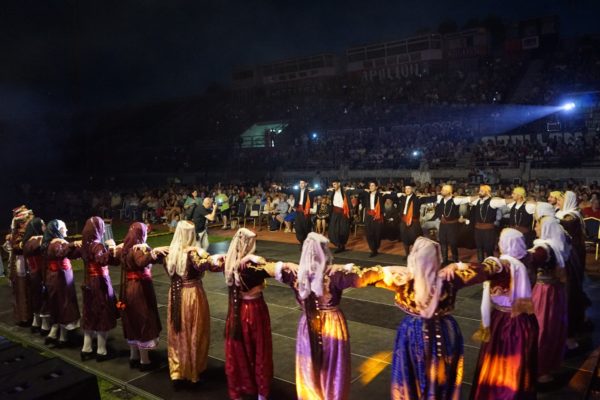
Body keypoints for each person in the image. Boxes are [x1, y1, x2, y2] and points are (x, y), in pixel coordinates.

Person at [375, 237, 504, 400]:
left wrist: (386, 270)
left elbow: (366, 276)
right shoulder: (450, 277)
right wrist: (458, 265)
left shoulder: (400, 279)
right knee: (443, 370)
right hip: (444, 332)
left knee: (410, 371)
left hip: (411, 333)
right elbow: (488, 269)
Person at [275, 233, 382, 400]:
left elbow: (270, 268)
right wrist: (346, 267)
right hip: (332, 325)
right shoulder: (335, 275)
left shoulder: (295, 274)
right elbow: (366, 277)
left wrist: (287, 264)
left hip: (308, 324)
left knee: (309, 366)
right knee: (333, 368)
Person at [468, 229, 538, 400]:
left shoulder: (502, 265)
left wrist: (459, 268)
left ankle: (499, 392)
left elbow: (486, 270)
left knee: (499, 357)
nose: (499, 243)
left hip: (503, 320)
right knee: (517, 361)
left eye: (501, 240)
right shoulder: (524, 263)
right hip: (523, 319)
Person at [224, 228, 283, 400]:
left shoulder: (229, 263)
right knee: (260, 349)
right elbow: (276, 269)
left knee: (239, 349)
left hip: (236, 311)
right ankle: (261, 392)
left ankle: (240, 388)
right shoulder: (252, 266)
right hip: (254, 310)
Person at [165, 220, 223, 388]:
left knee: (177, 331)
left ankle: (177, 371)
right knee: (195, 331)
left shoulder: (170, 253)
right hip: (192, 295)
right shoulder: (193, 254)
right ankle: (193, 372)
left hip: (175, 294)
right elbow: (207, 265)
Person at [529, 203, 569, 383]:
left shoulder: (543, 249)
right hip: (554, 291)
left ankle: (539, 368)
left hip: (544, 293)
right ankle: (548, 365)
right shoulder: (556, 245)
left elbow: (525, 260)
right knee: (551, 327)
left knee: (541, 327)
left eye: (538, 224)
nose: (535, 227)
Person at [119, 222, 168, 371]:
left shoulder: (126, 248)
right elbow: (141, 261)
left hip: (129, 287)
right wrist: (153, 253)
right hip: (139, 288)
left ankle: (134, 356)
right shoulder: (138, 249)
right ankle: (144, 361)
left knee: (132, 319)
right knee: (143, 319)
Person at [80, 216, 121, 362]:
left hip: (88, 281)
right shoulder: (97, 246)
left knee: (89, 312)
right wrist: (112, 247)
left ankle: (86, 348)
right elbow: (103, 260)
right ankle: (101, 350)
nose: (103, 230)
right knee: (103, 311)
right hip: (99, 282)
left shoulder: (85, 245)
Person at [556, 190, 591, 350]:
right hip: (571, 252)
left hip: (573, 254)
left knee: (572, 287)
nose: (559, 201)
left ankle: (573, 325)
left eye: (562, 199)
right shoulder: (567, 214)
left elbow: (562, 227)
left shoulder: (571, 217)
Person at [42, 220, 81, 346]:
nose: (67, 230)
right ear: (58, 230)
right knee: (64, 303)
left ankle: (53, 333)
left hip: (54, 276)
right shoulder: (57, 243)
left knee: (57, 303)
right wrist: (72, 244)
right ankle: (63, 337)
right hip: (60, 277)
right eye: (64, 228)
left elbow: (69, 254)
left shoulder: (49, 243)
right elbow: (61, 253)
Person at [427, 184, 471, 264]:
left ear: (449, 192)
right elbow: (426, 198)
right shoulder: (440, 198)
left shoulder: (455, 200)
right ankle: (444, 260)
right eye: (442, 190)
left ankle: (455, 260)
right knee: (443, 242)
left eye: (443, 190)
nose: (441, 191)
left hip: (452, 226)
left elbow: (468, 199)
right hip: (443, 224)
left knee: (453, 243)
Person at [8, 206, 34, 326]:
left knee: (31, 289)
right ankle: (25, 317)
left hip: (30, 262)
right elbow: (16, 247)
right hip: (22, 264)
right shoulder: (17, 233)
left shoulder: (28, 231)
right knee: (22, 289)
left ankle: (33, 316)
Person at [396, 183, 437, 256]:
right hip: (404, 221)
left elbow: (430, 199)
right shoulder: (402, 197)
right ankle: (407, 255)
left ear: (412, 189)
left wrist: (439, 196)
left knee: (415, 239)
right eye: (406, 189)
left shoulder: (417, 198)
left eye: (409, 189)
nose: (407, 190)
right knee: (404, 238)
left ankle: (415, 255)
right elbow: (390, 195)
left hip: (413, 222)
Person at [22, 218, 47, 334]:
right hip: (39, 273)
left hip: (32, 273)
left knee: (35, 297)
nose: (44, 226)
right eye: (42, 224)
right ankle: (45, 326)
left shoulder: (26, 241)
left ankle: (36, 322)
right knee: (43, 297)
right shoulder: (37, 241)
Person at [354, 181, 389, 257]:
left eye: (373, 185)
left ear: (376, 187)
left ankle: (376, 247)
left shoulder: (380, 195)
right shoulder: (366, 194)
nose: (371, 187)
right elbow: (355, 192)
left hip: (377, 216)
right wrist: (363, 190)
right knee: (369, 233)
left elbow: (394, 196)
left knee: (377, 233)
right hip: (368, 216)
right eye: (370, 186)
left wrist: (387, 192)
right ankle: (373, 249)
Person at [470, 185, 502, 262]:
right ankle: (480, 264)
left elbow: (499, 215)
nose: (479, 192)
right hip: (478, 229)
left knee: (489, 248)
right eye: (479, 190)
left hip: (488, 230)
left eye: (481, 191)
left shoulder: (493, 202)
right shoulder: (477, 201)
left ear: (487, 192)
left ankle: (490, 264)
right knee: (479, 248)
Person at [326, 179, 352, 253]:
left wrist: (365, 190)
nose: (334, 186)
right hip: (335, 213)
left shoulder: (345, 191)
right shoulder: (332, 191)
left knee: (343, 230)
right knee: (332, 230)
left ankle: (341, 245)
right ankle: (339, 245)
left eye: (335, 184)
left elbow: (354, 191)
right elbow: (322, 191)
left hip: (343, 213)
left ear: (339, 184)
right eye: (333, 185)